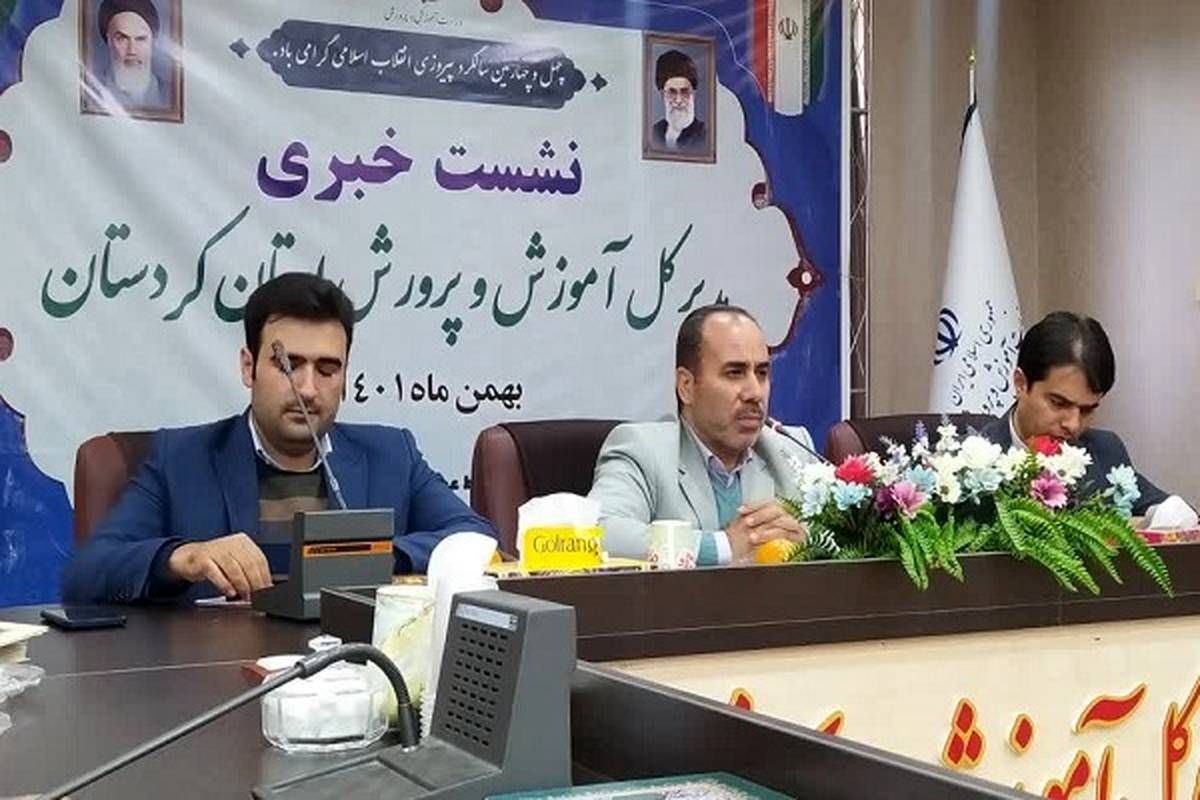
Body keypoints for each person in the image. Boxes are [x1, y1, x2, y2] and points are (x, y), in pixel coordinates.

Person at [63, 273, 496, 603]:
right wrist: (184, 557)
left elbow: (475, 538)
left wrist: (378, 555)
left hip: (355, 672)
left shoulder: (392, 455)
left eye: (327, 369)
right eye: (288, 365)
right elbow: (86, 574)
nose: (307, 389)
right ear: (248, 367)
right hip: (221, 676)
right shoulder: (180, 459)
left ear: (345, 377)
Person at [589, 305, 812, 564]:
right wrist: (722, 547)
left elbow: (844, 540)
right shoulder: (643, 451)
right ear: (686, 386)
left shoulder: (792, 451)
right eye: (734, 373)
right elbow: (598, 532)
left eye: (762, 373)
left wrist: (810, 542)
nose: (754, 392)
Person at [981, 311, 1186, 519]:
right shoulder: (969, 463)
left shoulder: (1104, 452)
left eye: (1087, 410)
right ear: (1020, 384)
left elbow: (1178, 515)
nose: (1073, 425)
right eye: (1059, 403)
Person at [92, 0, 168, 109]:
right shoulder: (92, 91)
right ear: (108, 40)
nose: (132, 51)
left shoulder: (168, 92)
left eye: (141, 39)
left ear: (152, 41)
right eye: (122, 39)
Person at [650, 49, 707, 154]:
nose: (678, 100)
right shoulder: (653, 133)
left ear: (693, 94)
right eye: (672, 92)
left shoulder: (705, 137)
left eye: (684, 92)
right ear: (662, 95)